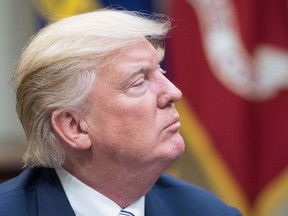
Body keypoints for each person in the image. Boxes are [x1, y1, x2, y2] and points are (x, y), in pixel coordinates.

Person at [0, 9, 241, 216]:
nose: (173, 92)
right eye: (139, 82)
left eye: (161, 72)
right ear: (74, 127)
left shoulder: (208, 211)